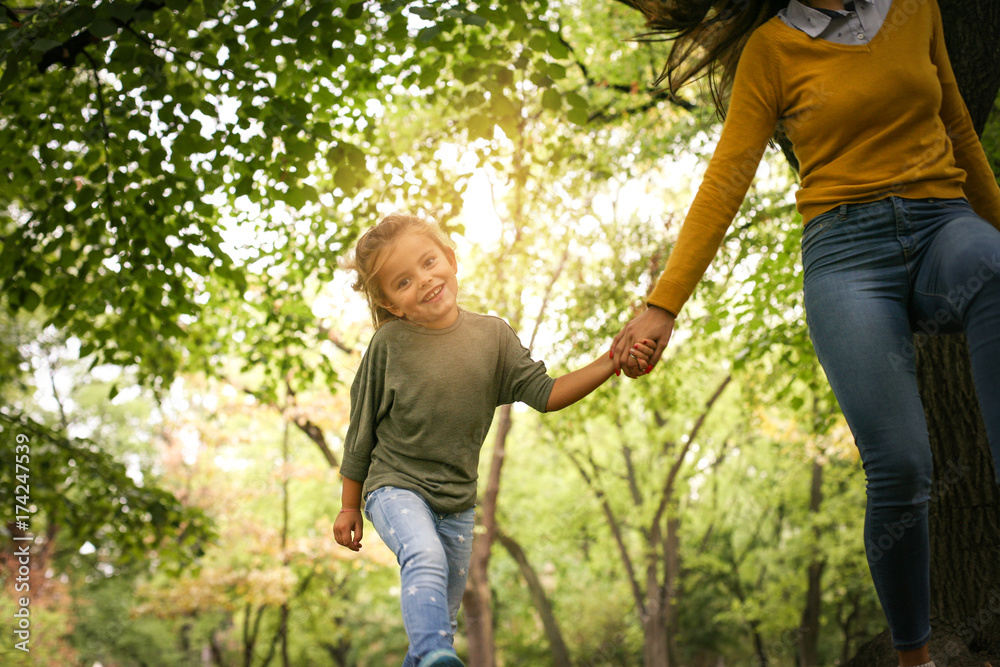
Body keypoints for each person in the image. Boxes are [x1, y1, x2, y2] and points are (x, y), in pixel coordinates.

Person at [609, 1, 1000, 665]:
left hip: (944, 226)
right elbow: (728, 173)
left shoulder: (916, 7)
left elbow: (959, 128)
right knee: (902, 463)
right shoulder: (771, 48)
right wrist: (663, 303)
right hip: (848, 257)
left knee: (994, 267)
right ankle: (916, 657)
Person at [334, 214, 654, 667]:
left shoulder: (492, 337)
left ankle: (431, 657)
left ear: (452, 260)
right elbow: (360, 432)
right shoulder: (390, 345)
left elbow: (546, 394)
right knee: (423, 559)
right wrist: (350, 505)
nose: (424, 281)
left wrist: (611, 360)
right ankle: (434, 656)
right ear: (393, 306)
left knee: (438, 629)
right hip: (394, 487)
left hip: (457, 504)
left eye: (429, 263)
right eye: (403, 281)